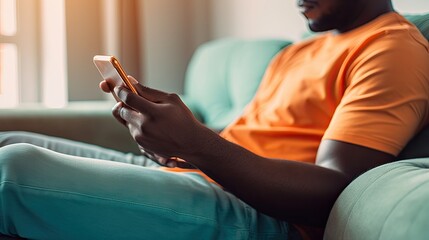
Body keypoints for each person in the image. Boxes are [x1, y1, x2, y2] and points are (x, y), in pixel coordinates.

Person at [0, 0, 428, 239]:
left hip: (264, 216)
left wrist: (197, 145)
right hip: (204, 178)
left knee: (12, 169)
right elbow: (247, 142)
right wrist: (175, 146)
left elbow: (336, 192)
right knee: (9, 140)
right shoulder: (299, 51)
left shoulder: (391, 49)